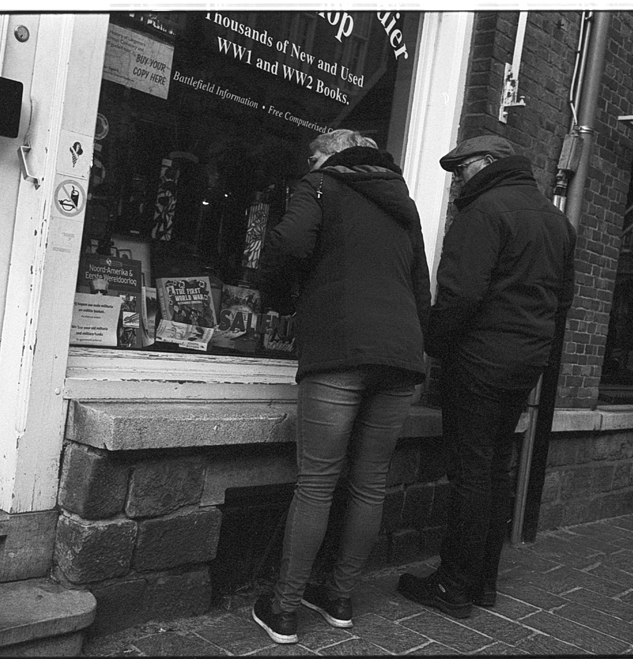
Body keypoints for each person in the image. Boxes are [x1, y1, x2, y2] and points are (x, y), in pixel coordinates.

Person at [252, 128, 431, 644]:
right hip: (400, 355)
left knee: (317, 482)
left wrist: (273, 295)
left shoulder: (321, 184)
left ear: (332, 155)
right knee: (370, 483)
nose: (310, 162)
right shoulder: (404, 204)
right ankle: (339, 597)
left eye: (314, 155)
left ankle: (285, 608)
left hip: (340, 347)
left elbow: (288, 243)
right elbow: (421, 289)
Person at [396, 135, 575, 618]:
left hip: (480, 359)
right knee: (495, 469)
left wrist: (433, 344)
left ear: (490, 163)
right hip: (525, 361)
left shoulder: (484, 212)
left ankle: (453, 586)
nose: (456, 179)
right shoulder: (556, 220)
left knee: (471, 471)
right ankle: (482, 584)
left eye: (462, 168)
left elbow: (460, 294)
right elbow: (562, 302)